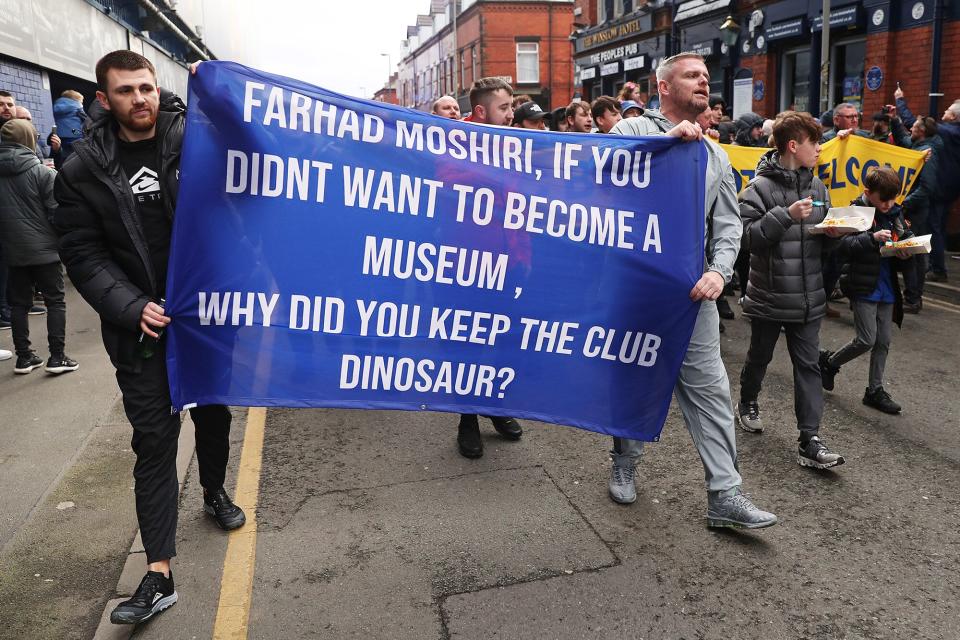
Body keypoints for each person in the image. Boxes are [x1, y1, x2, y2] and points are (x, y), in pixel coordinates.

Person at [54, 50, 246, 625]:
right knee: (155, 442)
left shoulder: (195, 135)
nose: (140, 99)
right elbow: (82, 253)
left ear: (157, 87)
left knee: (213, 414)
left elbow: (257, 159)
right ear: (104, 98)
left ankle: (214, 490)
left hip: (207, 318)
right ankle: (158, 571)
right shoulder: (82, 167)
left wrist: (221, 97)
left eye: (146, 87)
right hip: (142, 331)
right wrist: (132, 306)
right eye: (125, 91)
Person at [606, 52, 777, 529]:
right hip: (636, 291)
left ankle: (726, 495)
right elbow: (604, 173)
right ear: (663, 87)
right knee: (635, 380)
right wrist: (665, 144)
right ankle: (625, 460)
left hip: (693, 293)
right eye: (692, 75)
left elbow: (728, 227)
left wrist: (720, 273)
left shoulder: (716, 156)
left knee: (711, 391)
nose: (704, 81)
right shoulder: (633, 132)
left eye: (705, 76)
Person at [736, 111, 846, 470]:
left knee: (809, 367)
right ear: (794, 145)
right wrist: (785, 214)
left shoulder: (817, 186)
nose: (820, 150)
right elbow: (746, 238)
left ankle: (809, 439)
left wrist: (833, 235)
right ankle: (748, 401)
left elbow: (821, 244)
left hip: (809, 297)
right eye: (815, 143)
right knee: (759, 357)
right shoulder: (759, 188)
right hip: (770, 295)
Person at [454, 76, 523, 458]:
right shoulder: (452, 143)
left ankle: (496, 406)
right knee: (468, 340)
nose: (511, 115)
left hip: (509, 261)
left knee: (503, 338)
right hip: (466, 263)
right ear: (481, 111)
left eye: (512, 107)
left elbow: (520, 202)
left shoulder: (516, 144)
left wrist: (523, 257)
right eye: (504, 108)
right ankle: (467, 419)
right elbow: (449, 186)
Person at [819, 167, 913, 414]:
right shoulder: (855, 212)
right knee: (866, 339)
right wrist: (872, 239)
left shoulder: (895, 212)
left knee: (883, 341)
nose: (889, 204)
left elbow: (905, 235)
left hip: (887, 286)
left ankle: (874, 390)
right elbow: (841, 246)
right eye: (884, 199)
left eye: (893, 198)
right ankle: (829, 362)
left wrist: (906, 249)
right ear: (868, 193)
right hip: (863, 284)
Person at [0, 118, 77, 375]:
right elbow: (58, 214)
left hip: (12, 252)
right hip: (45, 250)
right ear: (29, 140)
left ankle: (24, 358)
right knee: (55, 302)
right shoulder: (43, 173)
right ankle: (57, 357)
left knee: (18, 305)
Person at [892, 114, 939, 312]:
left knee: (915, 254)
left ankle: (913, 298)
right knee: (908, 252)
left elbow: (926, 187)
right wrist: (894, 120)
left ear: (921, 132)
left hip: (916, 212)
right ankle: (911, 296)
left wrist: (904, 203)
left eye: (914, 127)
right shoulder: (916, 147)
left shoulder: (928, 153)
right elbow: (902, 140)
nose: (910, 129)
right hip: (910, 209)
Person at [53, 89, 87, 162]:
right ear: (76, 99)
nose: (82, 103)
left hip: (60, 135)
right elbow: (86, 120)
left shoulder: (57, 106)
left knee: (63, 154)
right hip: (74, 134)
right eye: (81, 101)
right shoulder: (78, 107)